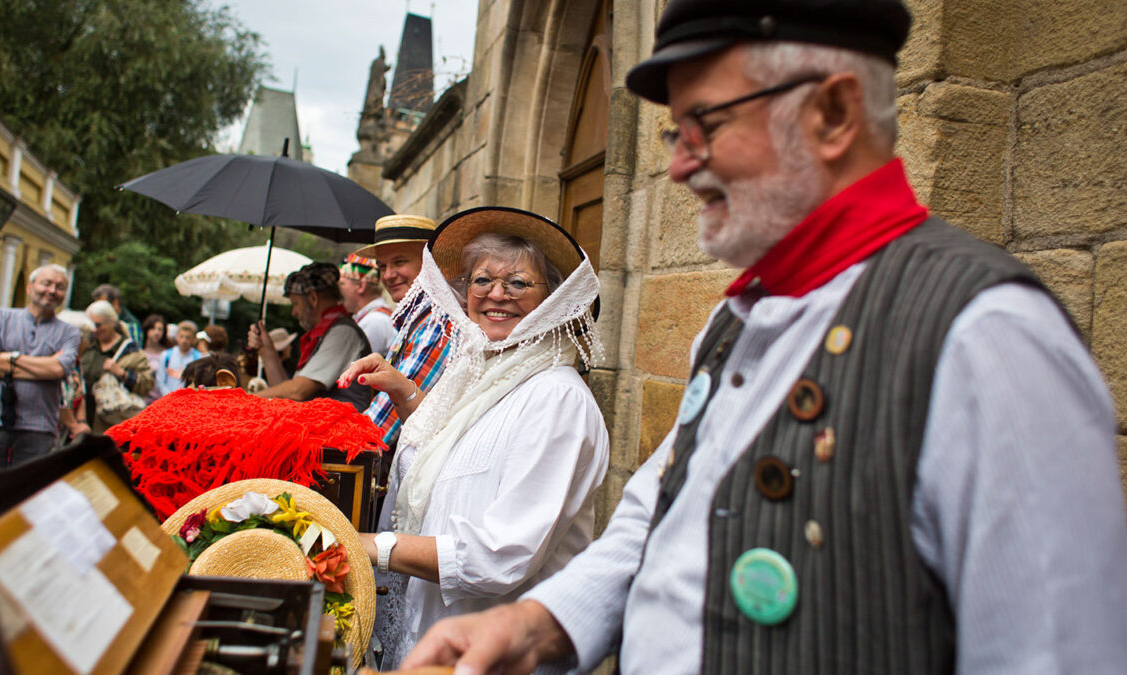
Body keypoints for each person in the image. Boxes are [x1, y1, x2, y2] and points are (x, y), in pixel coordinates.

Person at [401, 1, 1127, 674]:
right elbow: (659, 518)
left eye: (705, 127)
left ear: (834, 112)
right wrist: (538, 619)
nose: (681, 166)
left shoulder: (986, 338)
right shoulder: (737, 324)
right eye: (673, 134)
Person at [337, 206, 609, 668]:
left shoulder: (557, 399)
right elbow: (458, 450)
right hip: (432, 642)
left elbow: (500, 555)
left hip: (491, 655)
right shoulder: (481, 373)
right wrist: (403, 390)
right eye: (482, 280)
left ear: (555, 297)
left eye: (518, 283)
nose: (496, 295)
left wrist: (370, 545)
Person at [0, 265, 80, 502]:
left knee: (26, 501)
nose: (52, 290)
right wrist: (44, 367)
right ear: (31, 287)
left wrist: (9, 358)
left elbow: (59, 369)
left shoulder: (69, 332)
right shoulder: (1, 318)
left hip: (38, 427)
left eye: (60, 287)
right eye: (46, 283)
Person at [352, 215, 452, 447]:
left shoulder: (438, 318)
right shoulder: (416, 314)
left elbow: (382, 423)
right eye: (383, 266)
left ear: (430, 262)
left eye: (399, 262)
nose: (388, 275)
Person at [247, 262, 373, 411]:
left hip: (342, 430)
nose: (294, 312)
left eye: (295, 303)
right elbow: (285, 394)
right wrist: (266, 350)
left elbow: (297, 391)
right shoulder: (327, 332)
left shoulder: (343, 333)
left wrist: (247, 400)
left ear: (313, 298)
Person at [81, 301, 154, 434]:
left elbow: (147, 384)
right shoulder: (87, 346)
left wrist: (121, 373)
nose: (94, 330)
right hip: (84, 421)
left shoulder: (131, 351)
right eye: (91, 326)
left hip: (110, 426)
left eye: (98, 325)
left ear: (112, 322)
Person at [339, 252, 396, 357]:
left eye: (342, 284)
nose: (338, 290)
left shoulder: (374, 321)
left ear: (361, 286)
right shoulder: (373, 317)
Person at [54, 309, 94, 445]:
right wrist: (75, 426)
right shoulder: (54, 360)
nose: (88, 343)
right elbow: (57, 400)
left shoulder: (76, 363)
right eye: (85, 338)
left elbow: (80, 395)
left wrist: (81, 422)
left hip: (65, 435)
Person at [158, 321, 204, 395]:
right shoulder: (166, 355)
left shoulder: (198, 358)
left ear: (193, 339)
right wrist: (169, 396)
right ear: (177, 337)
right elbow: (160, 380)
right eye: (181, 336)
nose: (184, 340)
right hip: (167, 398)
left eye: (188, 338)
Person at [140, 313, 170, 403]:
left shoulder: (167, 354)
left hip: (161, 400)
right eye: (153, 328)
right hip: (142, 400)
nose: (156, 333)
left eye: (160, 329)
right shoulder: (139, 353)